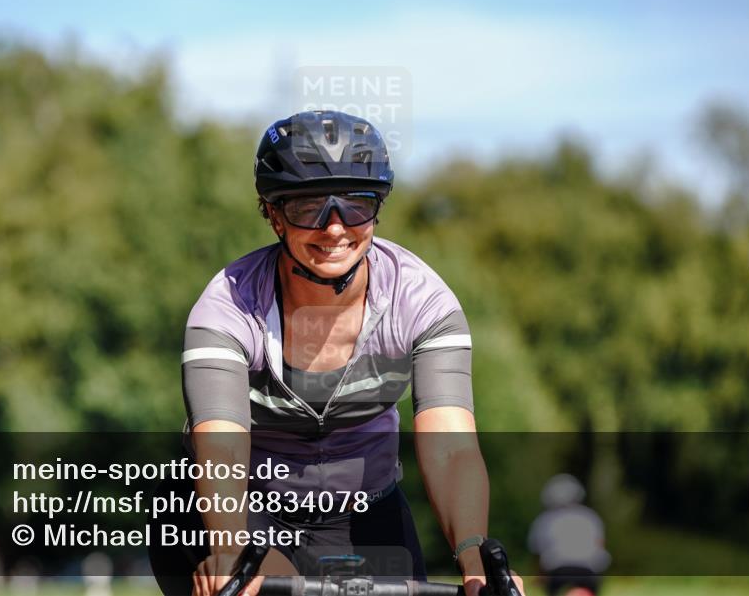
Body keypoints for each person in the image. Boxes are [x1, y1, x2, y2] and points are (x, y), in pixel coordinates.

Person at [148, 110, 524, 596]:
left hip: (365, 509)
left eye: (355, 204)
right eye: (308, 207)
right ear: (272, 213)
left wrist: (475, 560)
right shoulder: (227, 306)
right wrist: (230, 545)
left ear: (378, 207)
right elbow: (219, 446)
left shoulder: (423, 302)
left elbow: (451, 447)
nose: (333, 228)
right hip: (239, 505)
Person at [527, 474, 610, 596]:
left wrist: (539, 577)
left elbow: (538, 554)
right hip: (589, 573)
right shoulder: (591, 517)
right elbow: (600, 548)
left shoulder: (544, 520)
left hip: (558, 574)